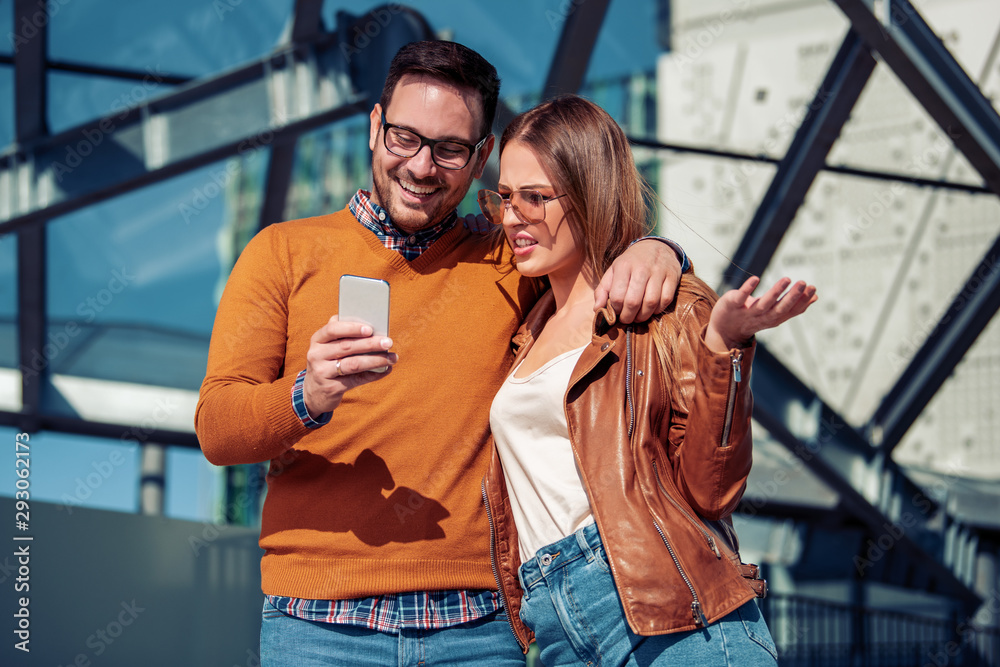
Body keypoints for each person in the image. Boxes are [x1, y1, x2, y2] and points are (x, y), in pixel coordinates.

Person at [195, 42, 689, 666]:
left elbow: (594, 241)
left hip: (479, 630)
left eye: (450, 149)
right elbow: (217, 430)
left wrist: (659, 249)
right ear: (375, 128)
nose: (422, 167)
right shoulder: (282, 253)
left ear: (482, 155)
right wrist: (308, 394)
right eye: (404, 138)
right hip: (319, 628)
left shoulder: (514, 257)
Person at [479, 95, 818, 666]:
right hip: (555, 621)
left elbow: (712, 490)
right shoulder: (525, 327)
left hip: (672, 611)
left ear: (588, 194)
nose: (514, 217)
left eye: (536, 198)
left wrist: (724, 346)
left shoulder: (664, 307)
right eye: (505, 197)